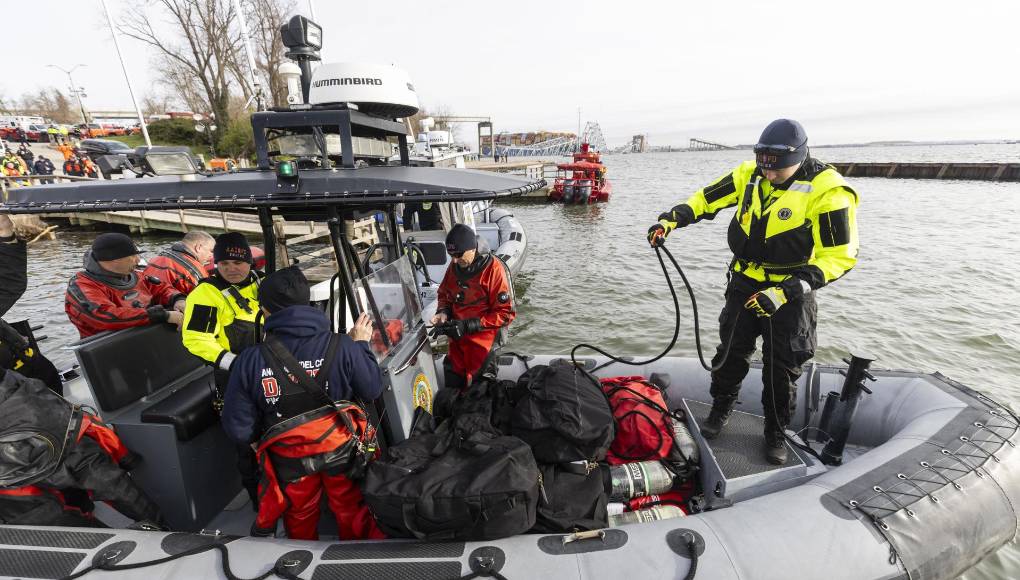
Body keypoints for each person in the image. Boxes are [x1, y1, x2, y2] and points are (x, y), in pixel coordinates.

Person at [647, 119, 859, 465]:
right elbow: (706, 200)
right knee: (729, 355)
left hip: (791, 292)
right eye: (764, 167)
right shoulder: (752, 174)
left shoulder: (828, 190)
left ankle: (775, 434)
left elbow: (840, 256)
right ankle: (719, 413)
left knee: (781, 369)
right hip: (745, 283)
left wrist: (784, 292)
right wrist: (669, 220)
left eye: (777, 170)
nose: (769, 175)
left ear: (799, 158)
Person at [223, 266, 384, 540]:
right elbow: (371, 389)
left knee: (299, 513)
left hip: (288, 458)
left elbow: (238, 428)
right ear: (307, 303)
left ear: (265, 311)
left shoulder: (248, 360)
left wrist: (256, 439)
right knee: (350, 508)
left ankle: (299, 559)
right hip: (341, 451)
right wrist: (360, 345)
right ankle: (356, 555)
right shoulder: (343, 346)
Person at [181, 232, 263, 505]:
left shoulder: (260, 283)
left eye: (238, 262)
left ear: (250, 263)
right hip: (235, 379)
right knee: (247, 444)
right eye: (224, 263)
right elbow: (196, 339)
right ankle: (259, 502)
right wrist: (233, 362)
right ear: (215, 264)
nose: (232, 269)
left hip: (269, 371)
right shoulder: (206, 295)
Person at [429, 224, 516, 391]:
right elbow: (445, 294)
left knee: (481, 395)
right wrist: (443, 312)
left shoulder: (494, 270)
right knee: (452, 388)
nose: (454, 260)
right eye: (451, 255)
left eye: (458, 255)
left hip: (484, 343)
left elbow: (506, 314)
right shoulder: (455, 266)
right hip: (457, 341)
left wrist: (468, 325)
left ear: (472, 249)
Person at [65, 232, 186, 338]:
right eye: (133, 256)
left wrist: (177, 299)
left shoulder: (136, 276)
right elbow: (104, 316)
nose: (138, 260)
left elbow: (162, 289)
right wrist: (161, 315)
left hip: (147, 338)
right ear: (114, 259)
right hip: (107, 349)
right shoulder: (82, 286)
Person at [0, 214, 62, 393]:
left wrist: (5, 235)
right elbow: (9, 287)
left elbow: (9, 285)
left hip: (31, 371)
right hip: (17, 398)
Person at [143, 231, 215, 295]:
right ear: (198, 247)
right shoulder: (193, 273)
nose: (211, 255)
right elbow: (205, 297)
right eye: (211, 251)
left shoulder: (156, 258)